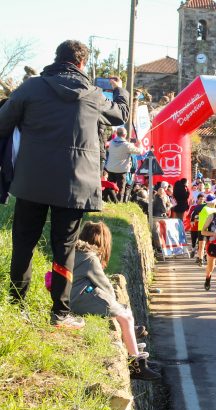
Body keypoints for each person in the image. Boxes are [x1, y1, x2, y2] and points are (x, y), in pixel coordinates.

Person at [0, 40, 129, 328]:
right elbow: (120, 115)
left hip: (31, 180)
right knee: (65, 247)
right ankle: (60, 313)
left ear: (56, 59)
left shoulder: (31, 88)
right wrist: (120, 90)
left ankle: (16, 305)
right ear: (82, 64)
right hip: (75, 186)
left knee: (24, 242)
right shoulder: (93, 94)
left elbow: (2, 123)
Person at [70, 221, 158, 380]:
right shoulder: (90, 258)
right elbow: (106, 287)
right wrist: (117, 305)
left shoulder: (77, 252)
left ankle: (134, 348)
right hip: (79, 298)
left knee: (125, 314)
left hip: (74, 296)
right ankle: (136, 364)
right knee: (125, 316)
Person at [103, 126, 142, 198]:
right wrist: (140, 144)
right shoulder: (127, 145)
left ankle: (109, 199)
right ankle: (118, 201)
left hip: (110, 168)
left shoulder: (111, 142)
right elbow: (139, 151)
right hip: (121, 170)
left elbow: (106, 147)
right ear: (125, 135)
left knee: (111, 185)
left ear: (117, 133)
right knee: (121, 188)